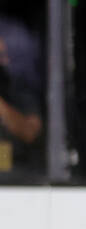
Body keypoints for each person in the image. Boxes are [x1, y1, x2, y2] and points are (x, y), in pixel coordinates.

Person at [0, 33, 42, 181]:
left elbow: (31, 133)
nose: (5, 60)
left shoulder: (18, 90)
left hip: (15, 178)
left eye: (4, 55)